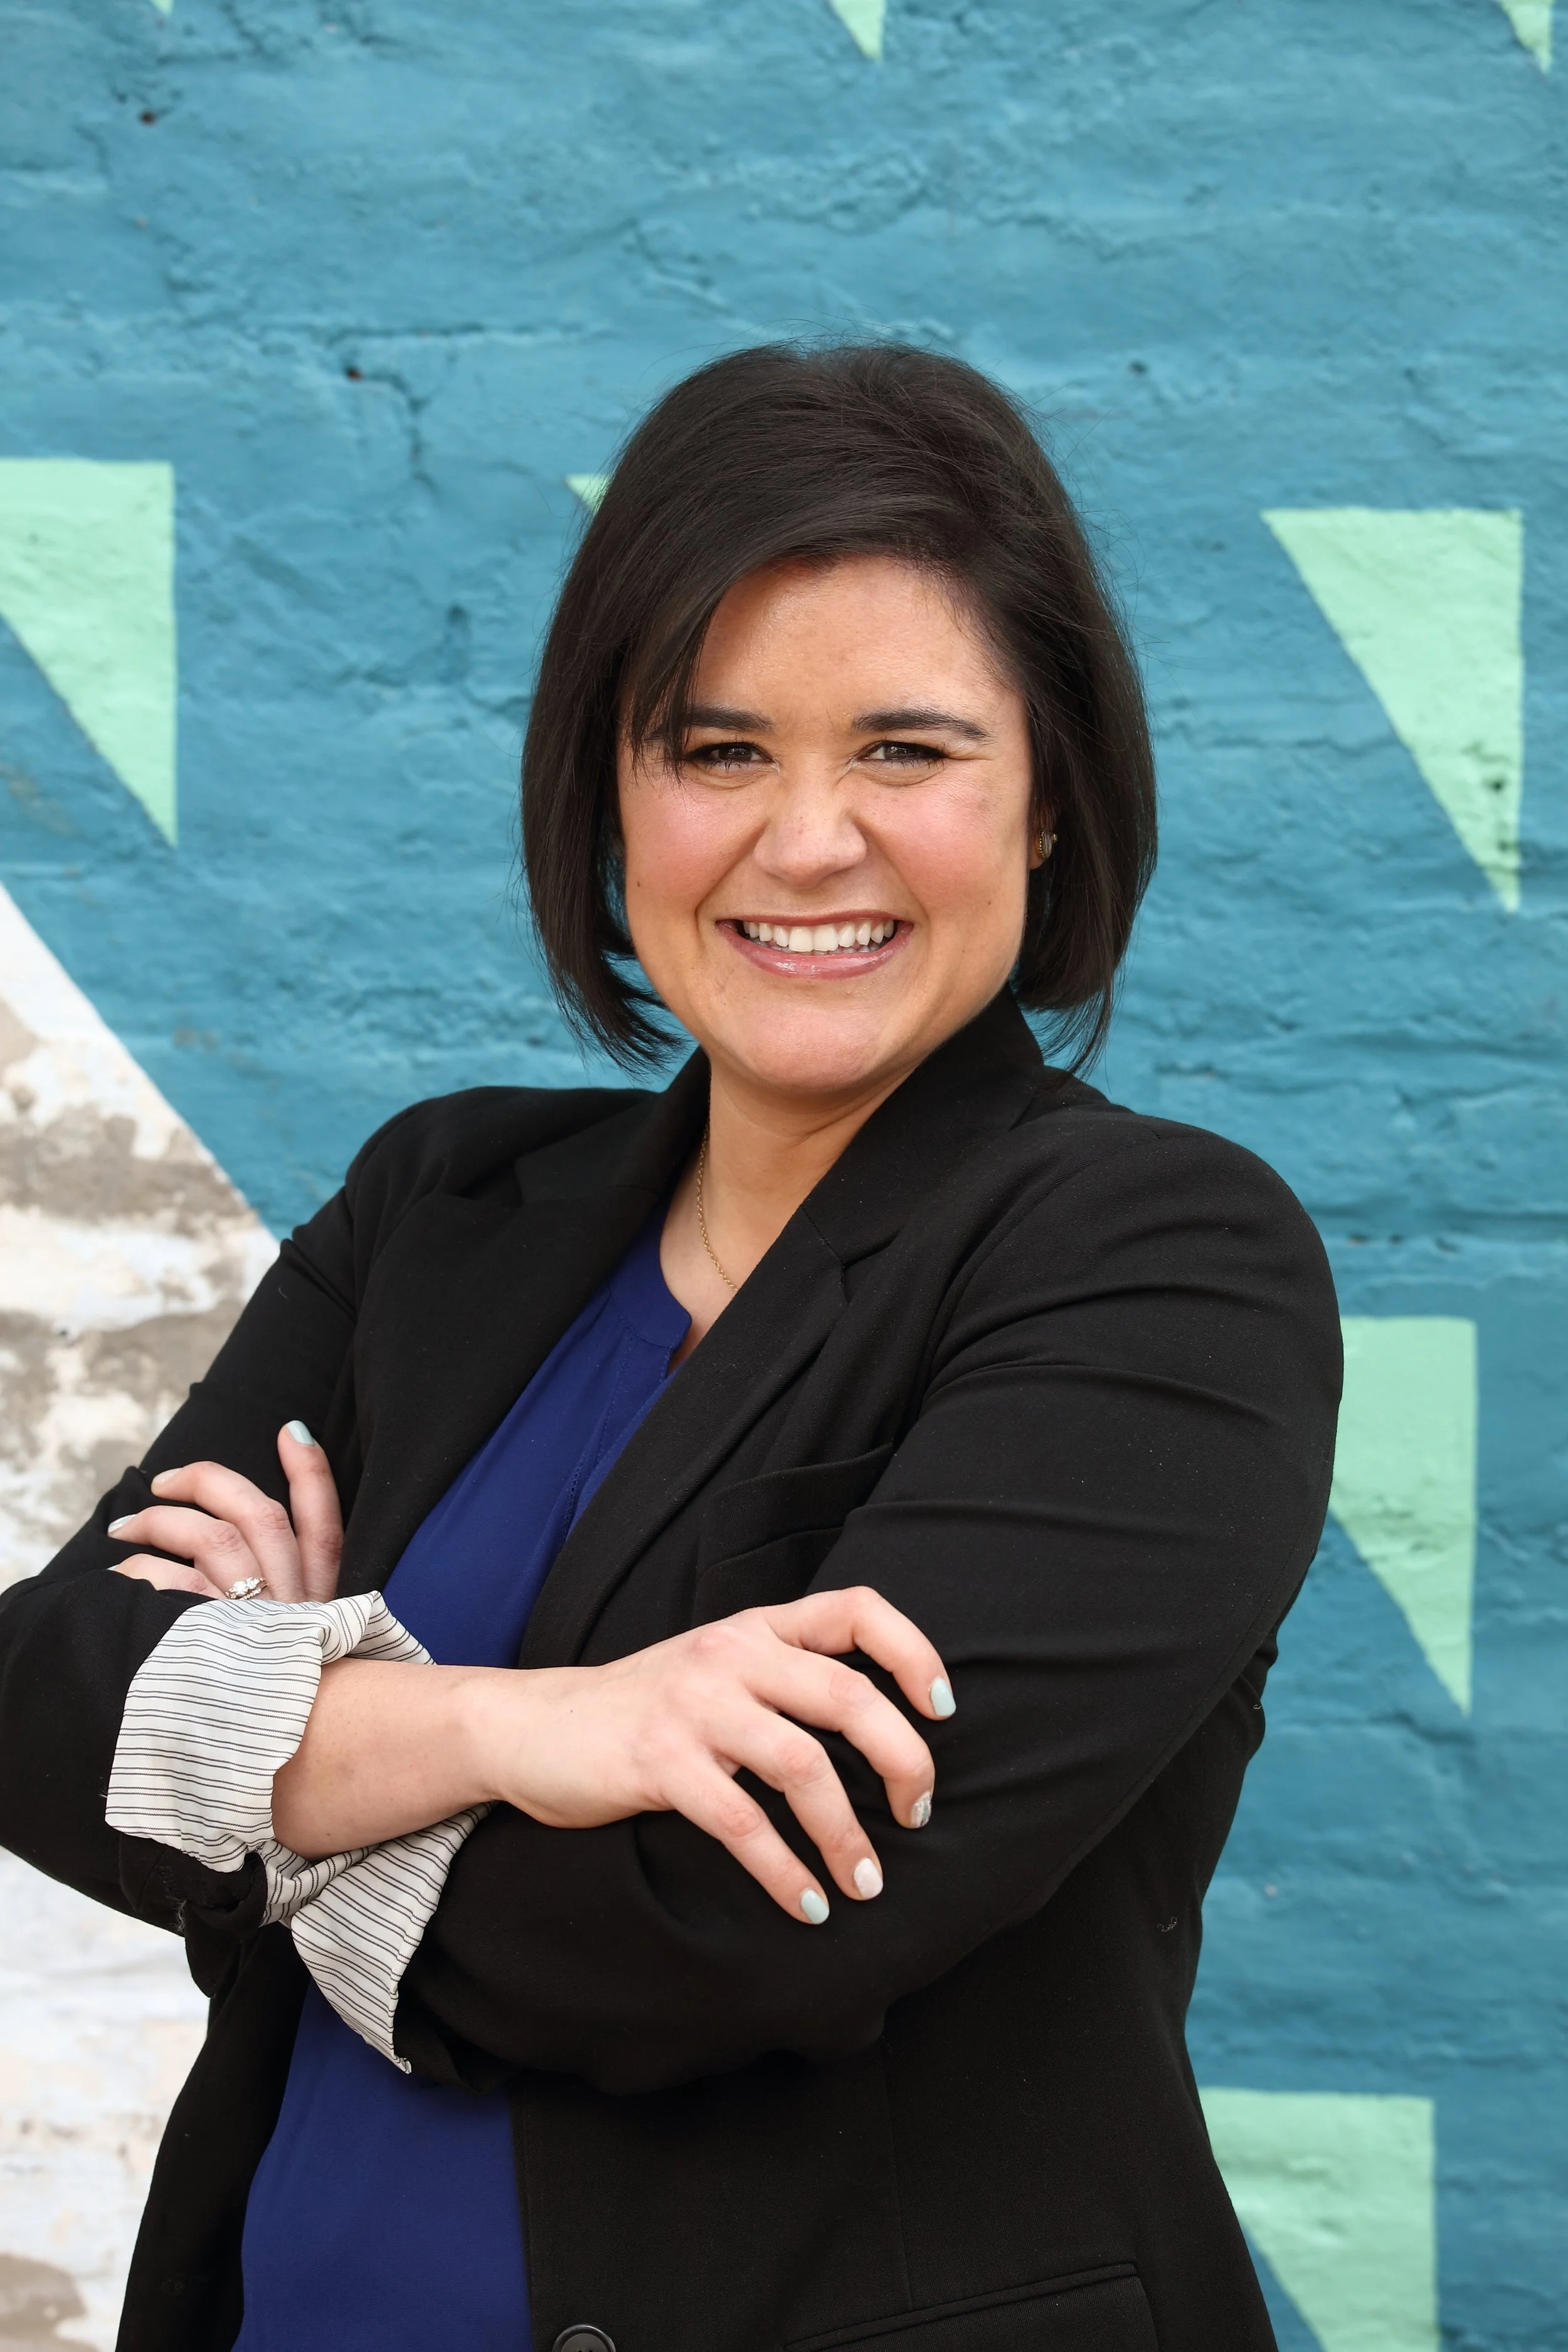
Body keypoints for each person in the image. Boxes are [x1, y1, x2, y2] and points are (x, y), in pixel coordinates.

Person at [0, 342, 1340, 2352]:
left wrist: (270, 1766)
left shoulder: (1157, 1266)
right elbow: (46, 1705)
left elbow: (726, 1929)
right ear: (609, 795)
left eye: (907, 749)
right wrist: (520, 1727)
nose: (807, 842)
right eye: (716, 750)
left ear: (1048, 798)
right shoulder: (442, 1210)